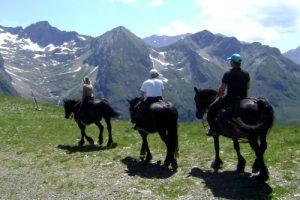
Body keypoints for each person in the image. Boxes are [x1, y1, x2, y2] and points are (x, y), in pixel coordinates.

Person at [206, 53, 250, 136]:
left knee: (212, 108)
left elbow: (222, 89)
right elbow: (247, 87)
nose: (230, 62)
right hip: (243, 99)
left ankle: (213, 130)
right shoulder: (246, 74)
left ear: (233, 62)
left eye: (230, 61)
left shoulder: (228, 73)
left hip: (231, 99)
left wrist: (219, 95)